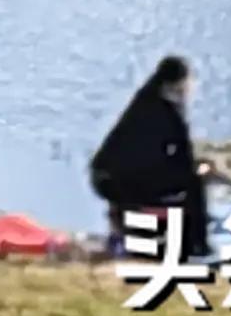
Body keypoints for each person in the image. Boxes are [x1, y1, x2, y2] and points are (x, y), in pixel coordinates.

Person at [87, 52, 213, 265]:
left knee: (182, 179)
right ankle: (199, 247)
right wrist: (204, 171)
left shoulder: (143, 101)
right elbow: (184, 160)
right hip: (127, 183)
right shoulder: (171, 113)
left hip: (105, 178)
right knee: (195, 182)